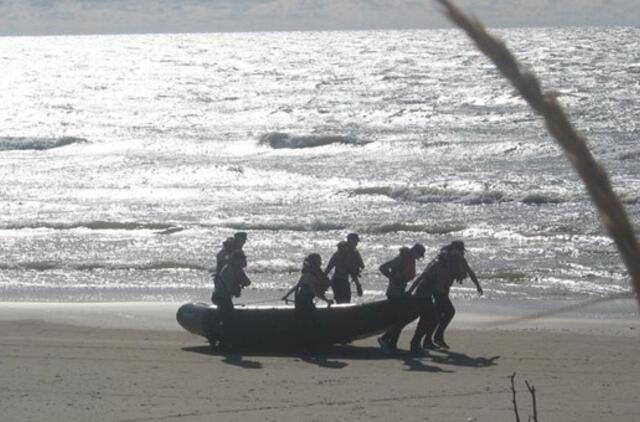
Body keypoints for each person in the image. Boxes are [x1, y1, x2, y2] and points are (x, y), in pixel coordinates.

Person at [414, 241, 483, 350]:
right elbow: (431, 275)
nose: (460, 252)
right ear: (453, 248)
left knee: (437, 314)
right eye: (459, 249)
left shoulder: (460, 260)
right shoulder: (443, 259)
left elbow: (470, 272)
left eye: (461, 250)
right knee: (449, 312)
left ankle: (429, 340)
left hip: (442, 289)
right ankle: (436, 337)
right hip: (436, 289)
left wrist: (478, 286)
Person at [376, 243, 425, 353]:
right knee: (401, 318)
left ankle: (392, 344)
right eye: (419, 255)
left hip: (401, 292)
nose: (418, 258)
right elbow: (383, 267)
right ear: (414, 251)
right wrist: (393, 278)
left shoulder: (410, 259)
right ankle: (385, 340)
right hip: (394, 293)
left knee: (401, 318)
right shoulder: (401, 259)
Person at [210, 250, 251, 350]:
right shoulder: (236, 269)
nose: (245, 261)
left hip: (217, 296)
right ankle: (223, 344)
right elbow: (247, 282)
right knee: (229, 321)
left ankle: (217, 341)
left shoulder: (227, 267)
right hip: (223, 298)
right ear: (237, 260)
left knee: (224, 319)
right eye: (243, 259)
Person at [294, 253, 333, 350]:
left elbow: (298, 285)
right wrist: (326, 300)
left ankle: (309, 344)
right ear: (314, 262)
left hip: (306, 300)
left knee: (309, 322)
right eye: (319, 261)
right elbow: (314, 291)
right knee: (310, 322)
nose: (320, 263)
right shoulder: (308, 274)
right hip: (303, 301)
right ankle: (307, 346)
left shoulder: (316, 272)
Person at [324, 233, 365, 303]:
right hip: (339, 282)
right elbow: (329, 268)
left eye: (357, 241)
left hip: (341, 281)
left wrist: (358, 285)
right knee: (344, 302)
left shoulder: (352, 253)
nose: (357, 243)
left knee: (343, 302)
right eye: (355, 241)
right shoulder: (340, 254)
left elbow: (356, 269)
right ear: (349, 240)